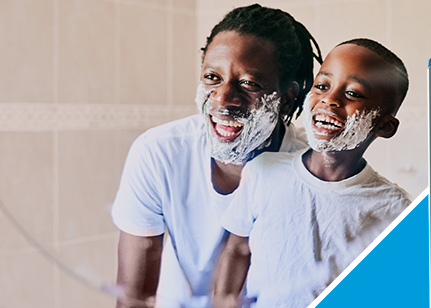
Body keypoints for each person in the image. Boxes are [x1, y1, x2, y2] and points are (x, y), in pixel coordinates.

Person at [110, 4, 321, 307]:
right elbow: (134, 297)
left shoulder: (309, 172)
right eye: (212, 77)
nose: (222, 98)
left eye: (248, 83)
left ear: (286, 98)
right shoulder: (159, 153)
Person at [213, 38, 411, 308]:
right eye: (322, 86)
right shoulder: (264, 171)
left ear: (385, 126)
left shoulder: (395, 208)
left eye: (353, 93)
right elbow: (237, 249)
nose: (329, 99)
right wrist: (225, 301)